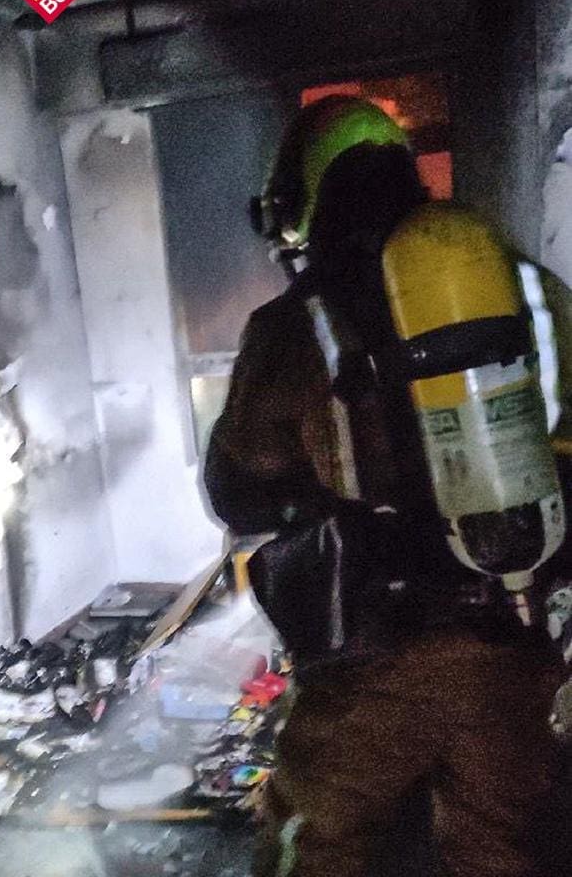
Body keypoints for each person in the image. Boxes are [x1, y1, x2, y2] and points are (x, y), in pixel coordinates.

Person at [205, 96, 570, 877]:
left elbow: (236, 487)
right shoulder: (530, 289)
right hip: (522, 638)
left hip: (381, 655)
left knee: (313, 842)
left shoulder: (298, 325)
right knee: (503, 846)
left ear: (307, 199)